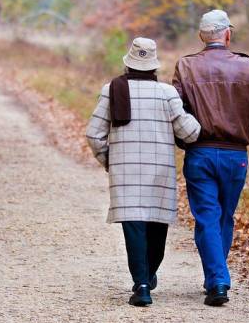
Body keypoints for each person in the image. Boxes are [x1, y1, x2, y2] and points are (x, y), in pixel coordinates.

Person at [173, 10, 249, 306]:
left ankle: (216, 279)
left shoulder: (185, 66)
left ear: (201, 37)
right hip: (235, 157)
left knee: (207, 217)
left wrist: (184, 135)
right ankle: (217, 279)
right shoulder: (247, 68)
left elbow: (174, 109)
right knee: (222, 217)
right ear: (228, 35)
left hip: (200, 152)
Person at [86, 37, 201, 307]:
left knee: (133, 227)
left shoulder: (111, 90)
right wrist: (195, 117)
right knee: (156, 227)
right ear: (154, 67)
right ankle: (147, 277)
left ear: (128, 64)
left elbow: (94, 134)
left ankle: (142, 284)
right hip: (159, 172)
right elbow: (190, 133)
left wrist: (109, 161)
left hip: (125, 173)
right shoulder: (167, 93)